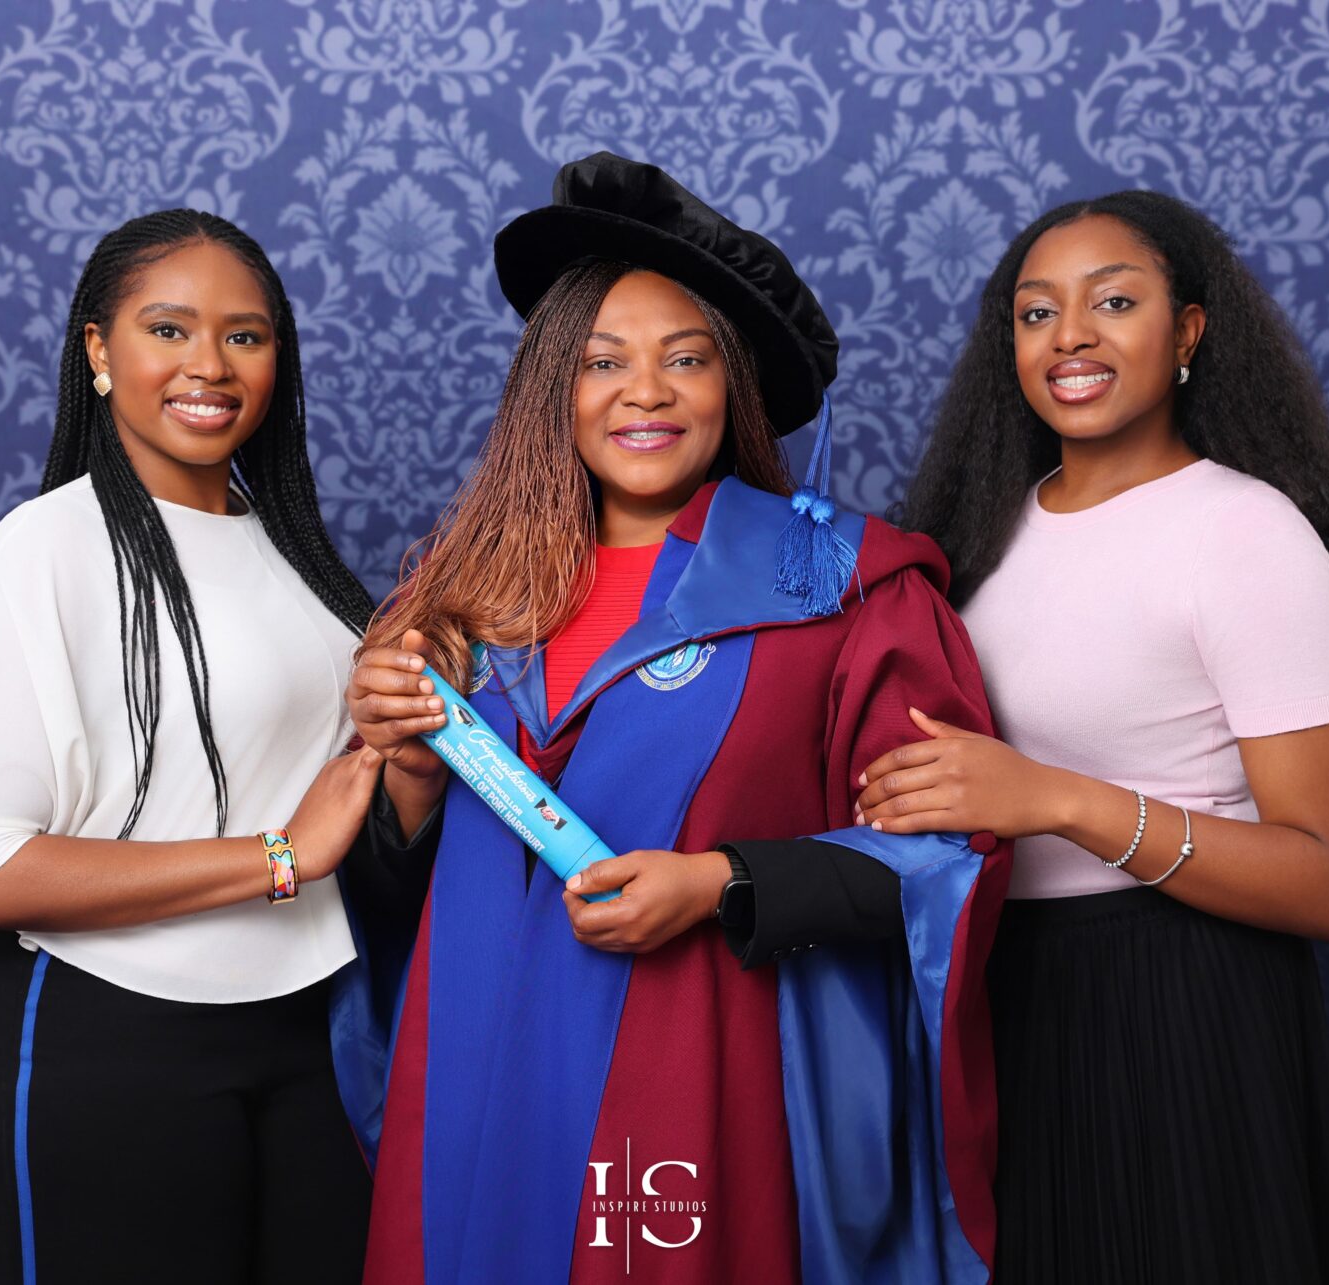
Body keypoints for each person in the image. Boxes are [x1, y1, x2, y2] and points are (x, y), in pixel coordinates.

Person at [340, 153, 1009, 1285]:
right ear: (553, 387)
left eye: (684, 359)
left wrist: (721, 885)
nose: (642, 393)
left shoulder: (847, 591)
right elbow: (382, 893)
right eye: (602, 362)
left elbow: (942, 849)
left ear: (732, 386)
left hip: (703, 1071)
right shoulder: (458, 599)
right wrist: (401, 770)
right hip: (476, 1069)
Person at [0, 209, 414, 1284]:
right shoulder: (44, 550)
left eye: (246, 336)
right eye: (168, 330)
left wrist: (416, 744)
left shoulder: (305, 570)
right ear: (98, 350)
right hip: (96, 1037)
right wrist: (279, 855)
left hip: (307, 1037)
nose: (209, 366)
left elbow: (363, 822)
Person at [872, 190, 1329, 1284]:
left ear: (1188, 330)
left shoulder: (1247, 532)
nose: (1072, 338)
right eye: (1036, 312)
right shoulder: (981, 533)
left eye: (1114, 302)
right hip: (1004, 990)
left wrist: (1057, 799)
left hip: (1179, 1002)